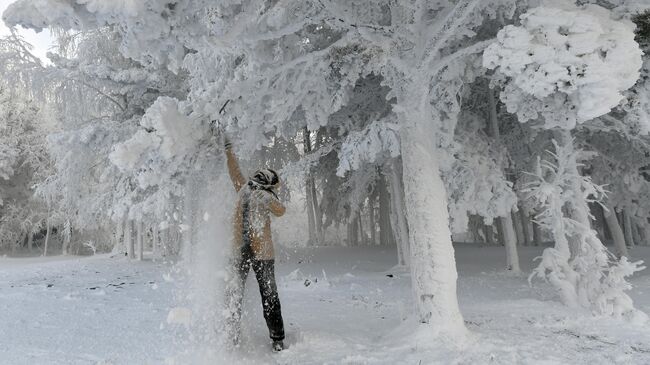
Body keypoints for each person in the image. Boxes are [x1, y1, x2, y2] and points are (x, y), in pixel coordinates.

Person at [223, 137, 286, 352]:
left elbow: (281, 210)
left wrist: (266, 198)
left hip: (263, 254)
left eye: (262, 179)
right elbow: (234, 171)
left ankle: (277, 338)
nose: (257, 179)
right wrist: (228, 147)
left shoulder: (268, 197)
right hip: (239, 249)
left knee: (269, 295)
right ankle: (230, 335)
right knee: (233, 292)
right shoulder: (243, 189)